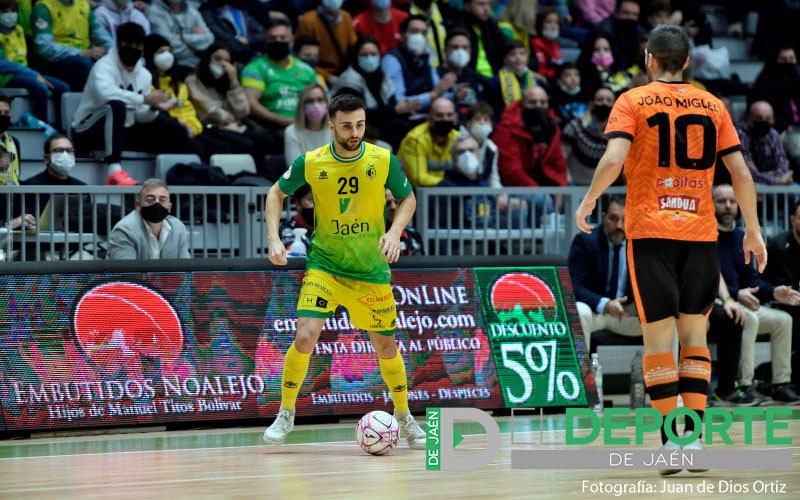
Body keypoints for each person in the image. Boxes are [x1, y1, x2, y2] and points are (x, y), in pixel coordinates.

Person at [575, 25, 766, 473]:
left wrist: (588, 200)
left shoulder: (632, 100)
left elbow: (613, 159)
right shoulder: (713, 104)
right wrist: (753, 229)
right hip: (700, 235)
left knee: (658, 342)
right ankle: (693, 440)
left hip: (651, 233)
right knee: (694, 340)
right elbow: (740, 172)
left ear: (648, 59)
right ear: (686, 62)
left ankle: (671, 442)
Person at [261, 93, 426, 449]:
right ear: (332, 125)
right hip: (325, 266)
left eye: (361, 125)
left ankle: (404, 417)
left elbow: (409, 197)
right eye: (348, 125)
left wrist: (395, 232)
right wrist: (274, 239)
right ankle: (285, 414)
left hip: (370, 270)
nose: (355, 132)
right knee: (305, 337)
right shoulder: (312, 161)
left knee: (386, 347)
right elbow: (275, 193)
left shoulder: (382, 159)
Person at [72, 22, 201, 186]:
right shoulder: (103, 67)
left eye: (137, 45)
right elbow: (106, 95)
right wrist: (145, 99)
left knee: (174, 129)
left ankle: (182, 178)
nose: (133, 49)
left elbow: (140, 115)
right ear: (119, 44)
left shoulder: (144, 75)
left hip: (121, 131)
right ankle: (114, 171)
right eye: (129, 44)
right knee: (116, 106)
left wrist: (153, 107)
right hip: (88, 130)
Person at [714, 184, 800, 404]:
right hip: (717, 303)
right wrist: (735, 293)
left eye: (732, 202)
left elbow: (751, 279)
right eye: (722, 201)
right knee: (748, 318)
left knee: (783, 320)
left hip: (740, 301)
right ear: (711, 204)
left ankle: (781, 383)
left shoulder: (741, 237)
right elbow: (707, 279)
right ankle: (744, 384)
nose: (727, 206)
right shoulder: (706, 238)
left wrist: (774, 292)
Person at [568, 196, 642, 352]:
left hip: (627, 312)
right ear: (603, 217)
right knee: (579, 312)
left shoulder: (639, 244)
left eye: (624, 220)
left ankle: (672, 374)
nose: (619, 226)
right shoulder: (585, 241)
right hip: (597, 311)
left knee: (671, 317)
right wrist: (606, 304)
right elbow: (573, 286)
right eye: (613, 219)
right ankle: (581, 374)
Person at [493, 85, 566, 218]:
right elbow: (511, 172)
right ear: (522, 104)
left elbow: (559, 165)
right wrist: (540, 191)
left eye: (543, 102)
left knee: (578, 199)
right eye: (533, 102)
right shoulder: (506, 129)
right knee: (542, 200)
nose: (538, 106)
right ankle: (543, 239)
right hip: (514, 187)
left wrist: (561, 189)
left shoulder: (552, 128)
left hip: (545, 184)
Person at [241, 18, 317, 139]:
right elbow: (251, 104)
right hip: (273, 127)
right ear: (266, 41)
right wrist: (283, 120)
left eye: (282, 38)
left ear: (291, 41)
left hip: (308, 124)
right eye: (273, 38)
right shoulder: (255, 69)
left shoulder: (306, 69)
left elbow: (321, 99)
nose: (278, 41)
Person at [0, 0, 69, 123]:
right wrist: (33, 75)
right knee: (40, 87)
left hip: (26, 72)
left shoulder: (19, 30)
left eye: (13, 11)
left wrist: (32, 74)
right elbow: (3, 65)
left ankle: (63, 125)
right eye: (5, 12)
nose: (10, 15)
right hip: (6, 77)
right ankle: (42, 125)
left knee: (63, 87)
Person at [31, 0, 113, 91]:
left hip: (83, 57)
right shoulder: (44, 7)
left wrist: (115, 54)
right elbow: (44, 47)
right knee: (84, 64)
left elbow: (101, 36)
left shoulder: (83, 5)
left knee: (111, 62)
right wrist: (79, 53)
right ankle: (80, 103)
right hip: (56, 62)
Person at [381, 14, 454, 114]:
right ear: (402, 36)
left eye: (423, 33)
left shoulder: (426, 58)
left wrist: (455, 95)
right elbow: (399, 101)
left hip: (429, 116)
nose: (420, 37)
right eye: (415, 32)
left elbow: (438, 91)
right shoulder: (392, 60)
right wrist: (432, 95)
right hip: (405, 119)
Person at [107, 178, 190, 259]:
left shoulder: (178, 228)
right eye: (150, 199)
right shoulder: (124, 230)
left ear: (169, 207)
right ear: (138, 205)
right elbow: (125, 271)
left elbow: (186, 268)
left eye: (162, 200)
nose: (157, 203)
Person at [764, 200, 800, 387]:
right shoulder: (779, 245)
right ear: (793, 219)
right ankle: (775, 377)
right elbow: (784, 289)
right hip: (779, 302)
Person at [396, 96, 459, 188]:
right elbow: (418, 178)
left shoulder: (457, 138)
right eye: (439, 115)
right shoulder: (416, 139)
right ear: (429, 118)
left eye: (449, 115)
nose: (445, 119)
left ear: (455, 118)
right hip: (407, 191)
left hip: (439, 189)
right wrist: (449, 186)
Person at [562, 86, 619, 186]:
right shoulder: (575, 127)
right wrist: (568, 182)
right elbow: (562, 158)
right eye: (600, 100)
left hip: (606, 190)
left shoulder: (619, 133)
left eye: (609, 100)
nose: (604, 103)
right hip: (576, 189)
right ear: (592, 103)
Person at [295, 0, 357, 84]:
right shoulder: (308, 21)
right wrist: (327, 76)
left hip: (344, 71)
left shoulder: (346, 17)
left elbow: (354, 47)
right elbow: (303, 59)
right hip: (318, 72)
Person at [734, 100, 795, 186]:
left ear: (773, 119)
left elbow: (783, 167)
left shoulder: (773, 134)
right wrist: (776, 181)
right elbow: (745, 172)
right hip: (743, 184)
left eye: (768, 118)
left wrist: (771, 179)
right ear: (749, 118)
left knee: (793, 189)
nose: (763, 121)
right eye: (759, 118)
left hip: (770, 182)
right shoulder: (738, 134)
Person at [146, 0, 214, 74]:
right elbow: (169, 46)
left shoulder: (191, 10)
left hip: (200, 63)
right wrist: (196, 43)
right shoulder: (154, 11)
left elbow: (210, 39)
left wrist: (183, 37)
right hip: (177, 66)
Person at [199, 0, 264, 64]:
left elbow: (263, 33)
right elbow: (225, 39)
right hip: (234, 58)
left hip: (254, 53)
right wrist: (253, 54)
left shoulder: (239, 11)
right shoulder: (207, 15)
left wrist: (249, 39)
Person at [283, 83, 332, 168]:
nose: (316, 105)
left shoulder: (336, 130)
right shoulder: (292, 132)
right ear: (302, 106)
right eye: (310, 101)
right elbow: (295, 169)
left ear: (327, 103)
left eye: (320, 100)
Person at [278, 183, 313, 258]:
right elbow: (292, 254)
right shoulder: (288, 228)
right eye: (311, 199)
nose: (316, 205)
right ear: (297, 203)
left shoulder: (330, 226)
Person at [386, 188, 422, 256]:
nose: (393, 207)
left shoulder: (414, 234)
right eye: (388, 203)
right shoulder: (375, 236)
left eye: (396, 202)